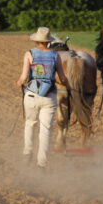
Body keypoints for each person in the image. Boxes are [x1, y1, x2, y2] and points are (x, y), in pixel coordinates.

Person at [17, 26, 68, 168]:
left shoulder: (29, 54)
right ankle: (41, 163)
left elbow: (24, 76)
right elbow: (62, 78)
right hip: (49, 96)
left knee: (30, 123)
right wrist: (66, 83)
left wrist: (19, 82)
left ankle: (27, 153)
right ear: (48, 41)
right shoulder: (55, 55)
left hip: (32, 95)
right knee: (45, 130)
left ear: (37, 41)